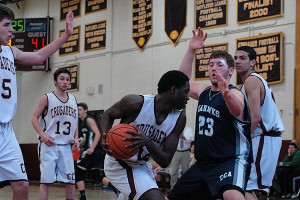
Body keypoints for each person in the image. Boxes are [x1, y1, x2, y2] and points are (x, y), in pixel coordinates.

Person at [168, 27, 252, 200]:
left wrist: (225, 92)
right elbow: (182, 80)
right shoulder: (204, 91)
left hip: (229, 161)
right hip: (203, 163)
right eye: (211, 65)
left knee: (233, 196)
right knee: (173, 197)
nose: (214, 68)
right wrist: (191, 50)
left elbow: (237, 108)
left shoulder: (235, 93)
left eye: (219, 65)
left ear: (230, 71)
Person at [0, 4, 74, 200]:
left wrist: (65, 37)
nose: (11, 29)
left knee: (22, 186)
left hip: (6, 131)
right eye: (7, 24)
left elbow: (39, 55)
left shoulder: (11, 51)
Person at [100, 70, 189, 200]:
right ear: (174, 90)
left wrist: (147, 142)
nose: (188, 97)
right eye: (186, 92)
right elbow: (107, 114)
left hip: (142, 165)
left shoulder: (179, 119)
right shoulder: (136, 103)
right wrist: (105, 136)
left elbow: (165, 161)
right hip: (119, 163)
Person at [234, 46, 285, 199]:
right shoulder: (252, 81)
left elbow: (255, 118)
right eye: (235, 58)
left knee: (246, 187)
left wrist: (241, 142)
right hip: (265, 138)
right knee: (247, 186)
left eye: (242, 58)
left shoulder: (251, 81)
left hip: (264, 137)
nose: (237, 61)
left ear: (253, 62)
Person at [31, 68, 79, 200]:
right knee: (46, 181)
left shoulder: (73, 99)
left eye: (68, 79)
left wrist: (76, 138)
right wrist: (42, 134)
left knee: (70, 181)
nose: (65, 82)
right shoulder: (47, 98)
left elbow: (74, 122)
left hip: (66, 146)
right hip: (49, 145)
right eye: (62, 79)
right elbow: (34, 118)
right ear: (55, 81)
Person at [75, 102, 101, 200]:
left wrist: (92, 148)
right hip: (92, 150)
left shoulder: (89, 119)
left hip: (92, 150)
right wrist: (80, 143)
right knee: (96, 176)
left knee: (78, 173)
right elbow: (88, 137)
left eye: (80, 109)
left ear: (86, 110)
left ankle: (83, 196)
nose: (78, 112)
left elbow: (98, 133)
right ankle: (115, 188)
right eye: (77, 110)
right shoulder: (82, 123)